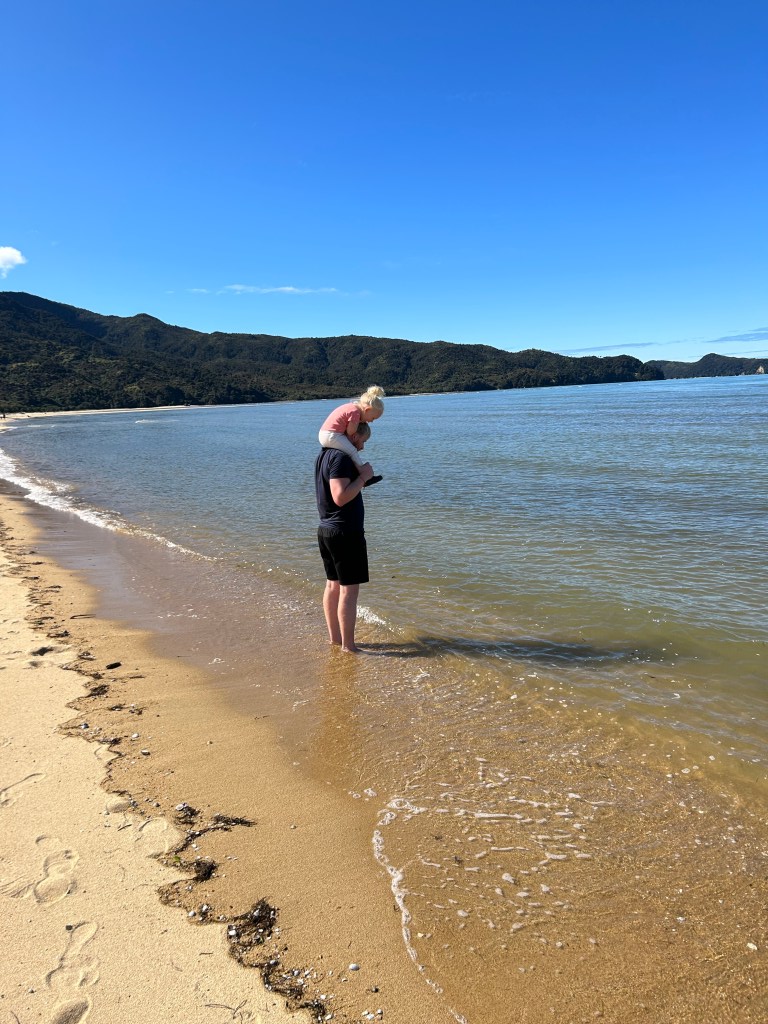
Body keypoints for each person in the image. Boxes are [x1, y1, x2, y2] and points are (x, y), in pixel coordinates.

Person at [315, 421, 374, 653]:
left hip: (328, 530)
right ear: (352, 434)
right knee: (349, 591)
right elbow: (340, 496)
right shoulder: (340, 457)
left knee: (333, 586)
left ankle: (335, 639)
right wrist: (363, 478)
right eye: (362, 441)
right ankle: (349, 647)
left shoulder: (324, 455)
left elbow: (334, 491)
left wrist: (358, 482)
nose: (361, 447)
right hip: (345, 532)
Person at [318, 386, 385, 475]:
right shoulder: (355, 413)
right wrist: (359, 422)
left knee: (348, 450)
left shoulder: (350, 407)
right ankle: (363, 472)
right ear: (367, 410)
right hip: (331, 435)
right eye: (373, 418)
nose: (371, 421)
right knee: (352, 451)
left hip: (326, 434)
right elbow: (351, 432)